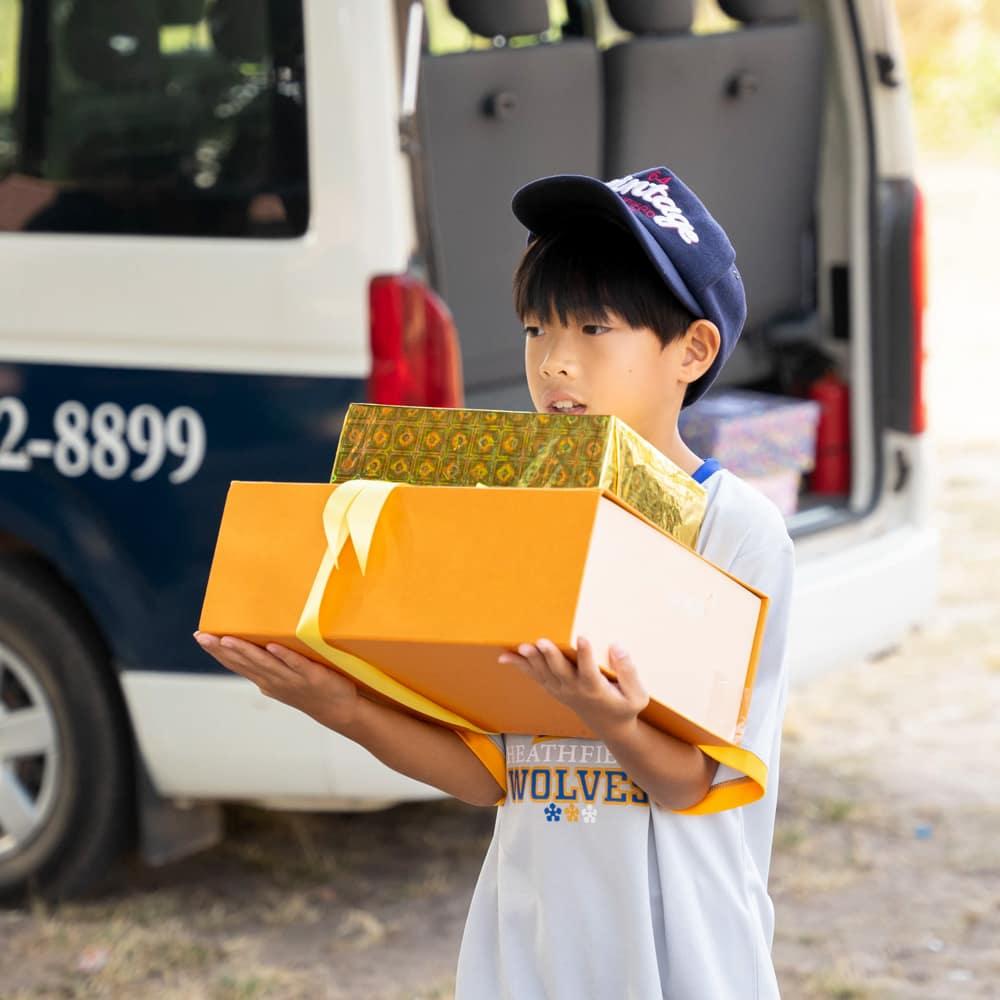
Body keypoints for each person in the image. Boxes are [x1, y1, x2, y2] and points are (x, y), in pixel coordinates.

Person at [194, 165, 795, 999]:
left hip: (678, 958)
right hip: (532, 952)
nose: (556, 363)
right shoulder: (514, 511)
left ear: (691, 349)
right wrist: (345, 707)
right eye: (537, 330)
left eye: (593, 329)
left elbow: (692, 781)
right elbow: (493, 777)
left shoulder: (734, 528)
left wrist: (605, 716)